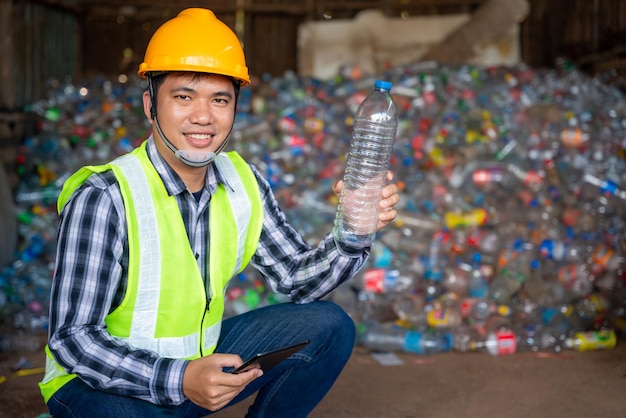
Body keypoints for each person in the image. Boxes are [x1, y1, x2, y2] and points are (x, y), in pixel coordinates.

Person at [39, 8, 400, 418]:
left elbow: (299, 279)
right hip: (106, 388)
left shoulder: (243, 182)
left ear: (234, 109)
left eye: (220, 99)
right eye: (183, 96)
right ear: (150, 105)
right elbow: (72, 340)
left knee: (329, 327)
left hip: (198, 371)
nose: (203, 116)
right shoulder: (106, 196)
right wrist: (178, 378)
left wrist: (353, 229)